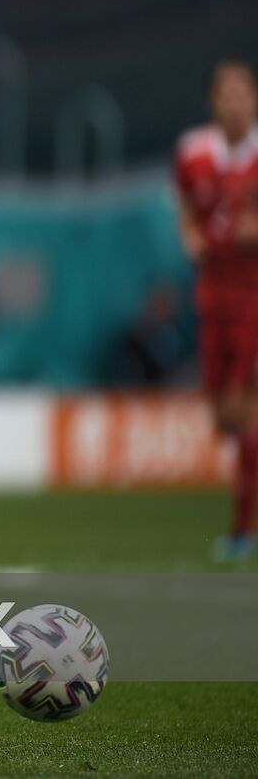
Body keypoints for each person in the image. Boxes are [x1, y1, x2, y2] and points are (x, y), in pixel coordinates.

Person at [174, 59, 258, 562]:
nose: (235, 101)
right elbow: (186, 209)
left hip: (255, 298)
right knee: (224, 418)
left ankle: (242, 530)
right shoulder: (192, 153)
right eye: (225, 93)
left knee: (243, 410)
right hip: (212, 297)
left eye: (243, 92)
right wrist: (189, 239)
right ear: (213, 102)